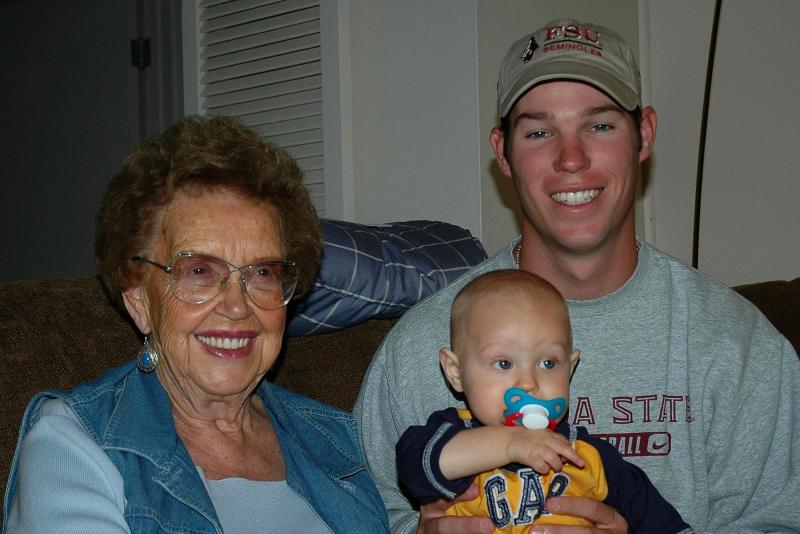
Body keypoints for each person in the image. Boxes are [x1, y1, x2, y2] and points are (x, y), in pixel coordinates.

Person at [355, 17, 800, 533]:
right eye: (540, 131)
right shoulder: (418, 347)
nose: (571, 158)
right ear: (502, 152)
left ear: (645, 134)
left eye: (601, 124)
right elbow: (358, 514)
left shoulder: (740, 347)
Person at [3, 116, 389, 533]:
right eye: (199, 271)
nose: (237, 306)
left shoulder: (339, 439)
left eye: (262, 273)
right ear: (138, 300)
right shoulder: (74, 443)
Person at [396, 270, 689, 532]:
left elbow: (662, 521)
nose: (528, 383)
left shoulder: (586, 455)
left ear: (570, 369)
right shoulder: (446, 435)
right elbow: (416, 469)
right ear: (455, 372)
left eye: (548, 363)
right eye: (503, 363)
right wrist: (511, 443)